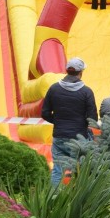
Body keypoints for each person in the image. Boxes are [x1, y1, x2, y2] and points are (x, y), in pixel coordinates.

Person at [41, 57, 97, 186]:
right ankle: (78, 203)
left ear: (67, 71)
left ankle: (53, 201)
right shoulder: (86, 92)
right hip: (79, 138)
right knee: (80, 171)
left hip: (59, 135)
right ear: (81, 72)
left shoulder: (54, 89)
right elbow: (93, 119)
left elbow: (44, 113)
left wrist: (58, 122)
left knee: (57, 170)